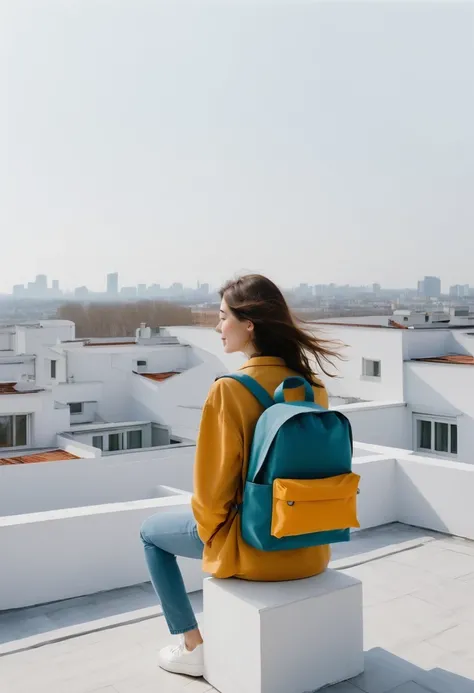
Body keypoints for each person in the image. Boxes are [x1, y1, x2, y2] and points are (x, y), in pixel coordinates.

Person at [140, 274, 340, 677]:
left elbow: (212, 495)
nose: (217, 327)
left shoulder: (229, 389)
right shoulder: (313, 387)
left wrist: (216, 543)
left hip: (253, 554)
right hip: (312, 549)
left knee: (150, 533)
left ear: (249, 324)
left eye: (222, 317)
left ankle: (191, 645)